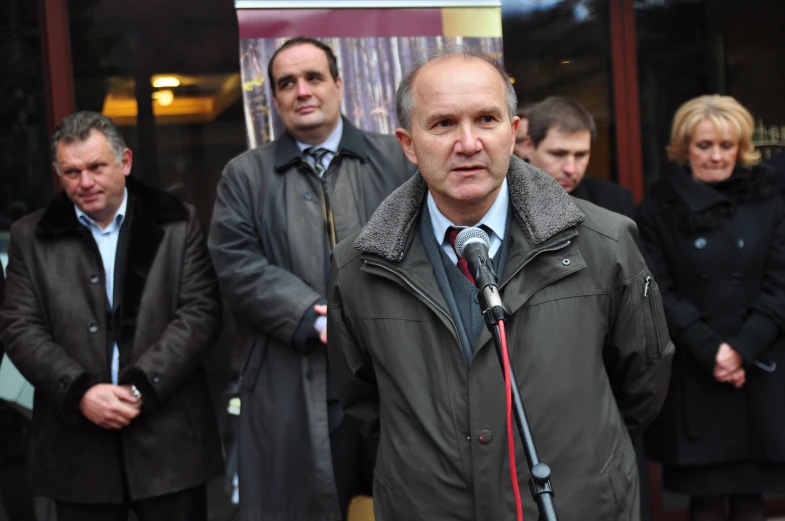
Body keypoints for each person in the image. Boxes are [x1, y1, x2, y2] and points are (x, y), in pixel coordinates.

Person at [327, 46, 673, 521]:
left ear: (512, 134)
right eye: (443, 123)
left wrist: (585, 457)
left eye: (486, 119)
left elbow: (642, 384)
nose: (468, 143)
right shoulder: (358, 266)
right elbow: (364, 401)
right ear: (408, 143)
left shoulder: (605, 243)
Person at [208, 37, 414, 521]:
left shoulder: (399, 160)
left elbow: (425, 247)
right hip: (296, 383)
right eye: (287, 83)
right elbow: (235, 262)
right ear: (275, 99)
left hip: (395, 375)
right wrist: (311, 317)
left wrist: (373, 317)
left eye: (314, 77)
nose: (302, 90)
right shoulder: (244, 175)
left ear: (339, 85)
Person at [0, 111, 224, 521]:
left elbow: (201, 313)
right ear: (57, 172)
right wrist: (80, 392)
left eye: (96, 167)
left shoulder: (177, 221)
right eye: (70, 172)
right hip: (77, 451)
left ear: (125, 162)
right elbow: (19, 328)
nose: (84, 183)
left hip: (169, 442)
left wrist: (140, 387)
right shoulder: (29, 237)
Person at [638, 95, 785, 521]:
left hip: (757, 370)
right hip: (696, 371)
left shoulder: (771, 201)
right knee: (702, 502)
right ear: (684, 148)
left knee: (751, 502)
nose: (717, 156)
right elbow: (656, 289)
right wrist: (712, 350)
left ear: (742, 148)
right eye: (705, 146)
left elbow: (781, 282)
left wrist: (743, 348)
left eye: (728, 146)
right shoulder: (656, 210)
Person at [524, 96, 637, 218]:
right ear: (529, 146)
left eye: (581, 155)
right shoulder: (503, 198)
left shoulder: (616, 201)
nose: (570, 169)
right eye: (558, 154)